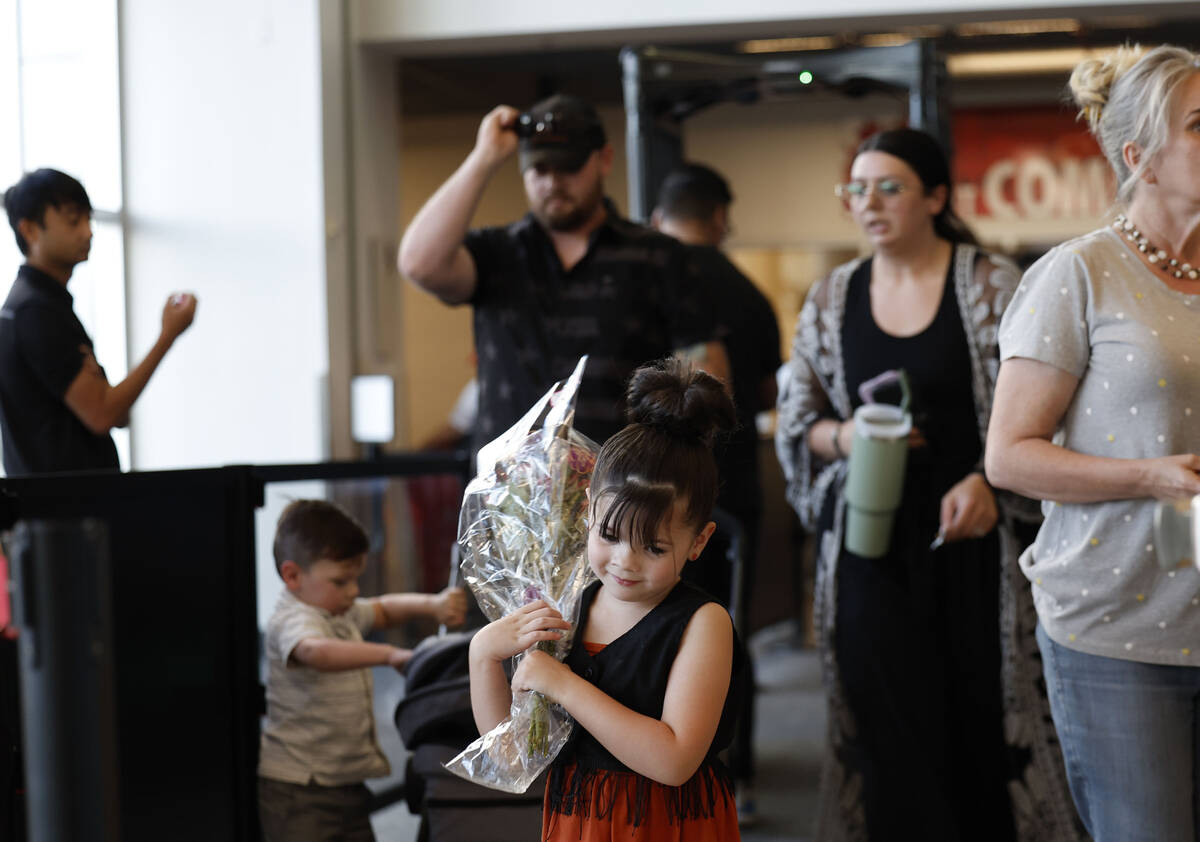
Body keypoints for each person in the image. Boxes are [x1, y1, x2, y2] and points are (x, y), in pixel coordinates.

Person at [775, 128, 1081, 840]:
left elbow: (1057, 413)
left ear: (936, 197)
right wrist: (847, 436)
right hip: (867, 538)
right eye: (857, 188)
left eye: (890, 186)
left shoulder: (993, 285)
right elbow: (800, 425)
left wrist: (988, 481)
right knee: (881, 717)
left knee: (977, 717)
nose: (869, 202)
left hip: (977, 539)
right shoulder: (830, 299)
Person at [986, 44, 1200, 842]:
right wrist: (1149, 475)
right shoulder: (1076, 274)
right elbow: (1008, 456)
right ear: (1140, 157)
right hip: (1118, 630)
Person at [469, 358, 743, 840]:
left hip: (662, 824)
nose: (625, 561)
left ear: (699, 541)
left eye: (654, 547)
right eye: (610, 534)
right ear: (588, 510)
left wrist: (565, 685)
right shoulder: (566, 605)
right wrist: (484, 656)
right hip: (580, 821)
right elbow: (511, 757)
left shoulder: (703, 622)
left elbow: (675, 760)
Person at [397, 93, 729, 453]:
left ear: (604, 160)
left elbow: (704, 375)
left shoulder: (658, 255)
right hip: (509, 495)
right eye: (539, 169)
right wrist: (484, 158)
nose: (553, 182)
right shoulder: (497, 253)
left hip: (618, 491)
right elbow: (419, 264)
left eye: (568, 168)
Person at [652, 162, 781, 825]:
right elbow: (765, 395)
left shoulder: (645, 274)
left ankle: (657, 773)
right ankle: (734, 778)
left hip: (649, 498)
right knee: (722, 628)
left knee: (644, 626)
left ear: (658, 217)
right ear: (721, 217)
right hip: (729, 496)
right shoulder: (749, 294)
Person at [257, 499, 469, 842]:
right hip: (301, 790)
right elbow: (316, 651)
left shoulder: (339, 611)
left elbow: (383, 609)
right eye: (341, 582)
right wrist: (387, 655)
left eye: (355, 579)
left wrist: (432, 605)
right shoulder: (292, 619)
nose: (353, 591)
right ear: (292, 576)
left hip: (345, 783)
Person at [0, 168, 197, 476]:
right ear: (29, 230)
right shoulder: (35, 312)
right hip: (64, 515)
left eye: (88, 219)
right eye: (73, 220)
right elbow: (104, 414)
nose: (88, 232)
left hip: (63, 512)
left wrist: (108, 399)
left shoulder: (42, 304)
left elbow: (116, 414)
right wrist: (167, 336)